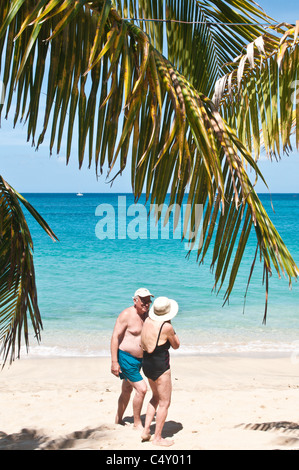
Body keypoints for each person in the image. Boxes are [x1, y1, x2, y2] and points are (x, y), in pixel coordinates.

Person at [110, 287, 154, 429]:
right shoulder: (126, 315)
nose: (146, 304)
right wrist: (114, 362)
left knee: (127, 390)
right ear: (135, 300)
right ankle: (137, 423)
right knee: (141, 389)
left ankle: (118, 419)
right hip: (126, 357)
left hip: (140, 360)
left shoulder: (148, 315)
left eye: (149, 301)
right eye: (143, 301)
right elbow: (115, 337)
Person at [140, 296, 180, 446]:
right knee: (164, 402)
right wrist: (171, 328)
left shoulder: (147, 321)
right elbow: (176, 345)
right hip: (160, 366)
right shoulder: (167, 327)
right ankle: (157, 438)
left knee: (155, 397)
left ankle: (146, 431)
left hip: (147, 363)